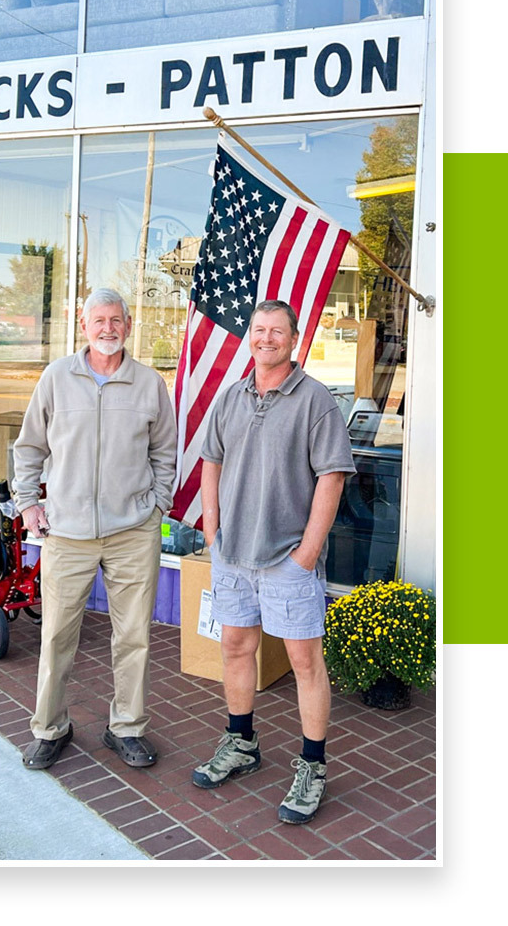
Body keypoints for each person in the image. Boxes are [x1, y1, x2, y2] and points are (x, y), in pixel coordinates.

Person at [192, 300, 354, 825]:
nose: (266, 339)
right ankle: (241, 743)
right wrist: (213, 529)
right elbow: (211, 461)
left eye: (276, 331)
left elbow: (331, 477)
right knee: (236, 647)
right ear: (251, 337)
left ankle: (313, 766)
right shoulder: (231, 397)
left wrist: (307, 553)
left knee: (305, 663)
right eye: (259, 330)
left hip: (288, 559)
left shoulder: (316, 402)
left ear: (294, 338)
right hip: (232, 555)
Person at [13, 288, 177, 771]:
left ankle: (126, 726)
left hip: (133, 532)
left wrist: (156, 507)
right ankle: (50, 728)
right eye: (98, 320)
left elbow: (165, 452)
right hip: (68, 532)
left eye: (116, 320)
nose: (108, 328)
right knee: (58, 635)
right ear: (83, 325)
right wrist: (27, 505)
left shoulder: (149, 384)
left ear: (129, 325)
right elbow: (28, 448)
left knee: (133, 636)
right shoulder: (56, 378)